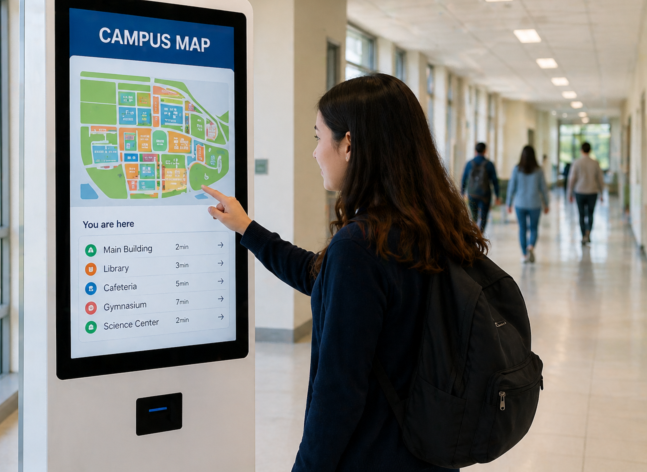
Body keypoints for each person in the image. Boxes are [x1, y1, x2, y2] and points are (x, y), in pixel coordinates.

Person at [202, 74, 485, 472]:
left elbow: (338, 393)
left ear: (348, 143)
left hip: (376, 456)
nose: (315, 152)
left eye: (319, 137)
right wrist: (248, 229)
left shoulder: (362, 244)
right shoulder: (433, 226)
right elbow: (322, 277)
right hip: (430, 450)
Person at [506, 146, 549, 263]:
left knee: (522, 229)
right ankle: (531, 246)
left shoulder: (517, 169)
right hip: (535, 204)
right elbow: (543, 188)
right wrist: (547, 204)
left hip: (520, 204)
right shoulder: (539, 170)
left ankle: (524, 255)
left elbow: (511, 187)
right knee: (534, 228)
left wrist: (508, 203)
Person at [568, 142, 605, 244]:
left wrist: (569, 193)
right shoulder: (595, 163)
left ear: (581, 150)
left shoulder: (577, 162)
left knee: (581, 214)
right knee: (590, 213)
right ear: (590, 150)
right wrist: (602, 193)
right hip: (592, 192)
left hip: (579, 192)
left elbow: (572, 179)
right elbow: (600, 179)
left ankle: (583, 235)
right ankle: (588, 232)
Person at [460, 142, 500, 233]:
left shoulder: (469, 163)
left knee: (474, 215)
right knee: (484, 215)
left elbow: (464, 178)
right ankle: (480, 234)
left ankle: (474, 233)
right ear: (485, 151)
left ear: (475, 151)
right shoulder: (489, 164)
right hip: (485, 194)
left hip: (472, 193)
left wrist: (462, 192)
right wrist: (497, 195)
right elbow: (495, 181)